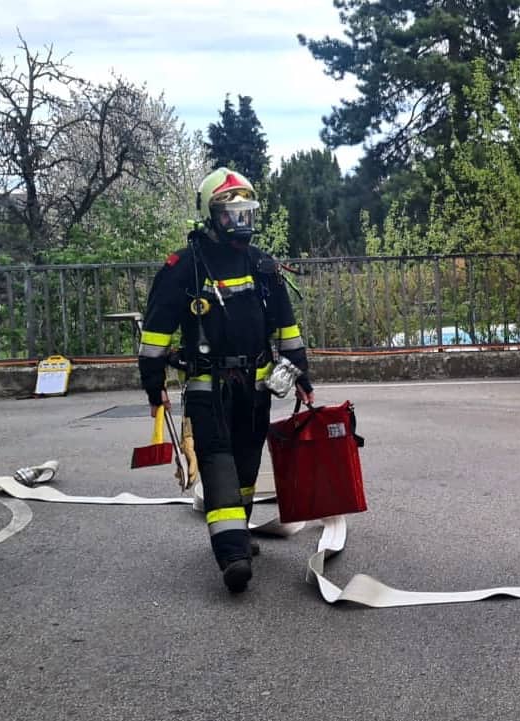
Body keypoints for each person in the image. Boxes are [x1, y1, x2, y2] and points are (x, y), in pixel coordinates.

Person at [138, 168, 314, 594]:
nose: (241, 223)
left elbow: (285, 327)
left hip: (256, 385)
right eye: (231, 214)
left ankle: (241, 531)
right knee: (217, 460)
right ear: (210, 215)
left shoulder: (261, 265)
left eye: (246, 213)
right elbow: (156, 333)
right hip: (206, 385)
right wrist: (152, 381)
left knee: (248, 461)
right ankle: (232, 552)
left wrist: (302, 374)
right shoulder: (183, 267)